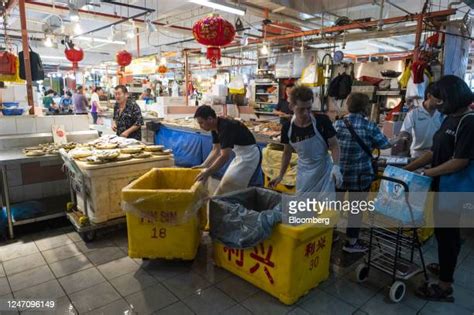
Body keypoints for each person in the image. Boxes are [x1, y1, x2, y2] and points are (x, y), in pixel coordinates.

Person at [405, 75, 474, 302]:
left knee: (448, 235)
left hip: (455, 189)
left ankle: (445, 286)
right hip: (440, 184)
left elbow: (460, 161)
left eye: (440, 98)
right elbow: (434, 152)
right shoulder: (449, 118)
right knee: (443, 232)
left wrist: (427, 173)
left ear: (452, 97)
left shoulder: (469, 121)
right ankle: (446, 266)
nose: (436, 103)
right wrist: (408, 167)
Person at [334, 93, 391, 253]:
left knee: (334, 206)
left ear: (348, 106)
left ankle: (331, 235)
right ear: (365, 108)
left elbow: (330, 144)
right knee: (355, 209)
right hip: (359, 176)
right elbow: (385, 144)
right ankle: (351, 243)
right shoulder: (369, 126)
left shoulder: (338, 124)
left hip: (338, 175)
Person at [269, 85, 342, 195]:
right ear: (291, 106)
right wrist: (281, 175)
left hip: (324, 172)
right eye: (301, 109)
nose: (306, 113)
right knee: (303, 208)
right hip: (304, 174)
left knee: (327, 210)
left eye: (308, 108)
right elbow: (287, 152)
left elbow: (334, 145)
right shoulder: (287, 127)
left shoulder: (322, 122)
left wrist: (336, 166)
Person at [193, 105, 261, 196]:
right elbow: (215, 149)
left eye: (201, 123)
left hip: (250, 156)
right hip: (240, 155)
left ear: (210, 119)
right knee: (226, 186)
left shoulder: (226, 126)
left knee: (232, 187)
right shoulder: (214, 127)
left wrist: (208, 172)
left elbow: (224, 156)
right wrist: (204, 165)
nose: (200, 126)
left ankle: (231, 208)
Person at [399, 84, 444, 158]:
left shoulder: (442, 113)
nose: (440, 103)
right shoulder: (414, 113)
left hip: (437, 154)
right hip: (417, 155)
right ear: (429, 96)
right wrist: (403, 138)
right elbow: (405, 132)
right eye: (438, 100)